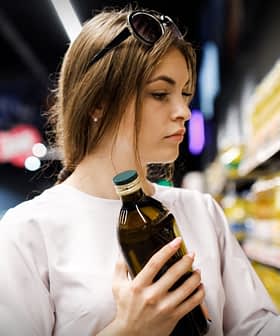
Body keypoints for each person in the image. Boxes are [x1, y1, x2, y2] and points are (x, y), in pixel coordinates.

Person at [0, 5, 279, 336]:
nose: (183, 113)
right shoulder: (27, 232)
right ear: (96, 103)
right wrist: (128, 330)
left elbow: (254, 325)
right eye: (160, 94)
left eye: (185, 94)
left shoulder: (201, 211)